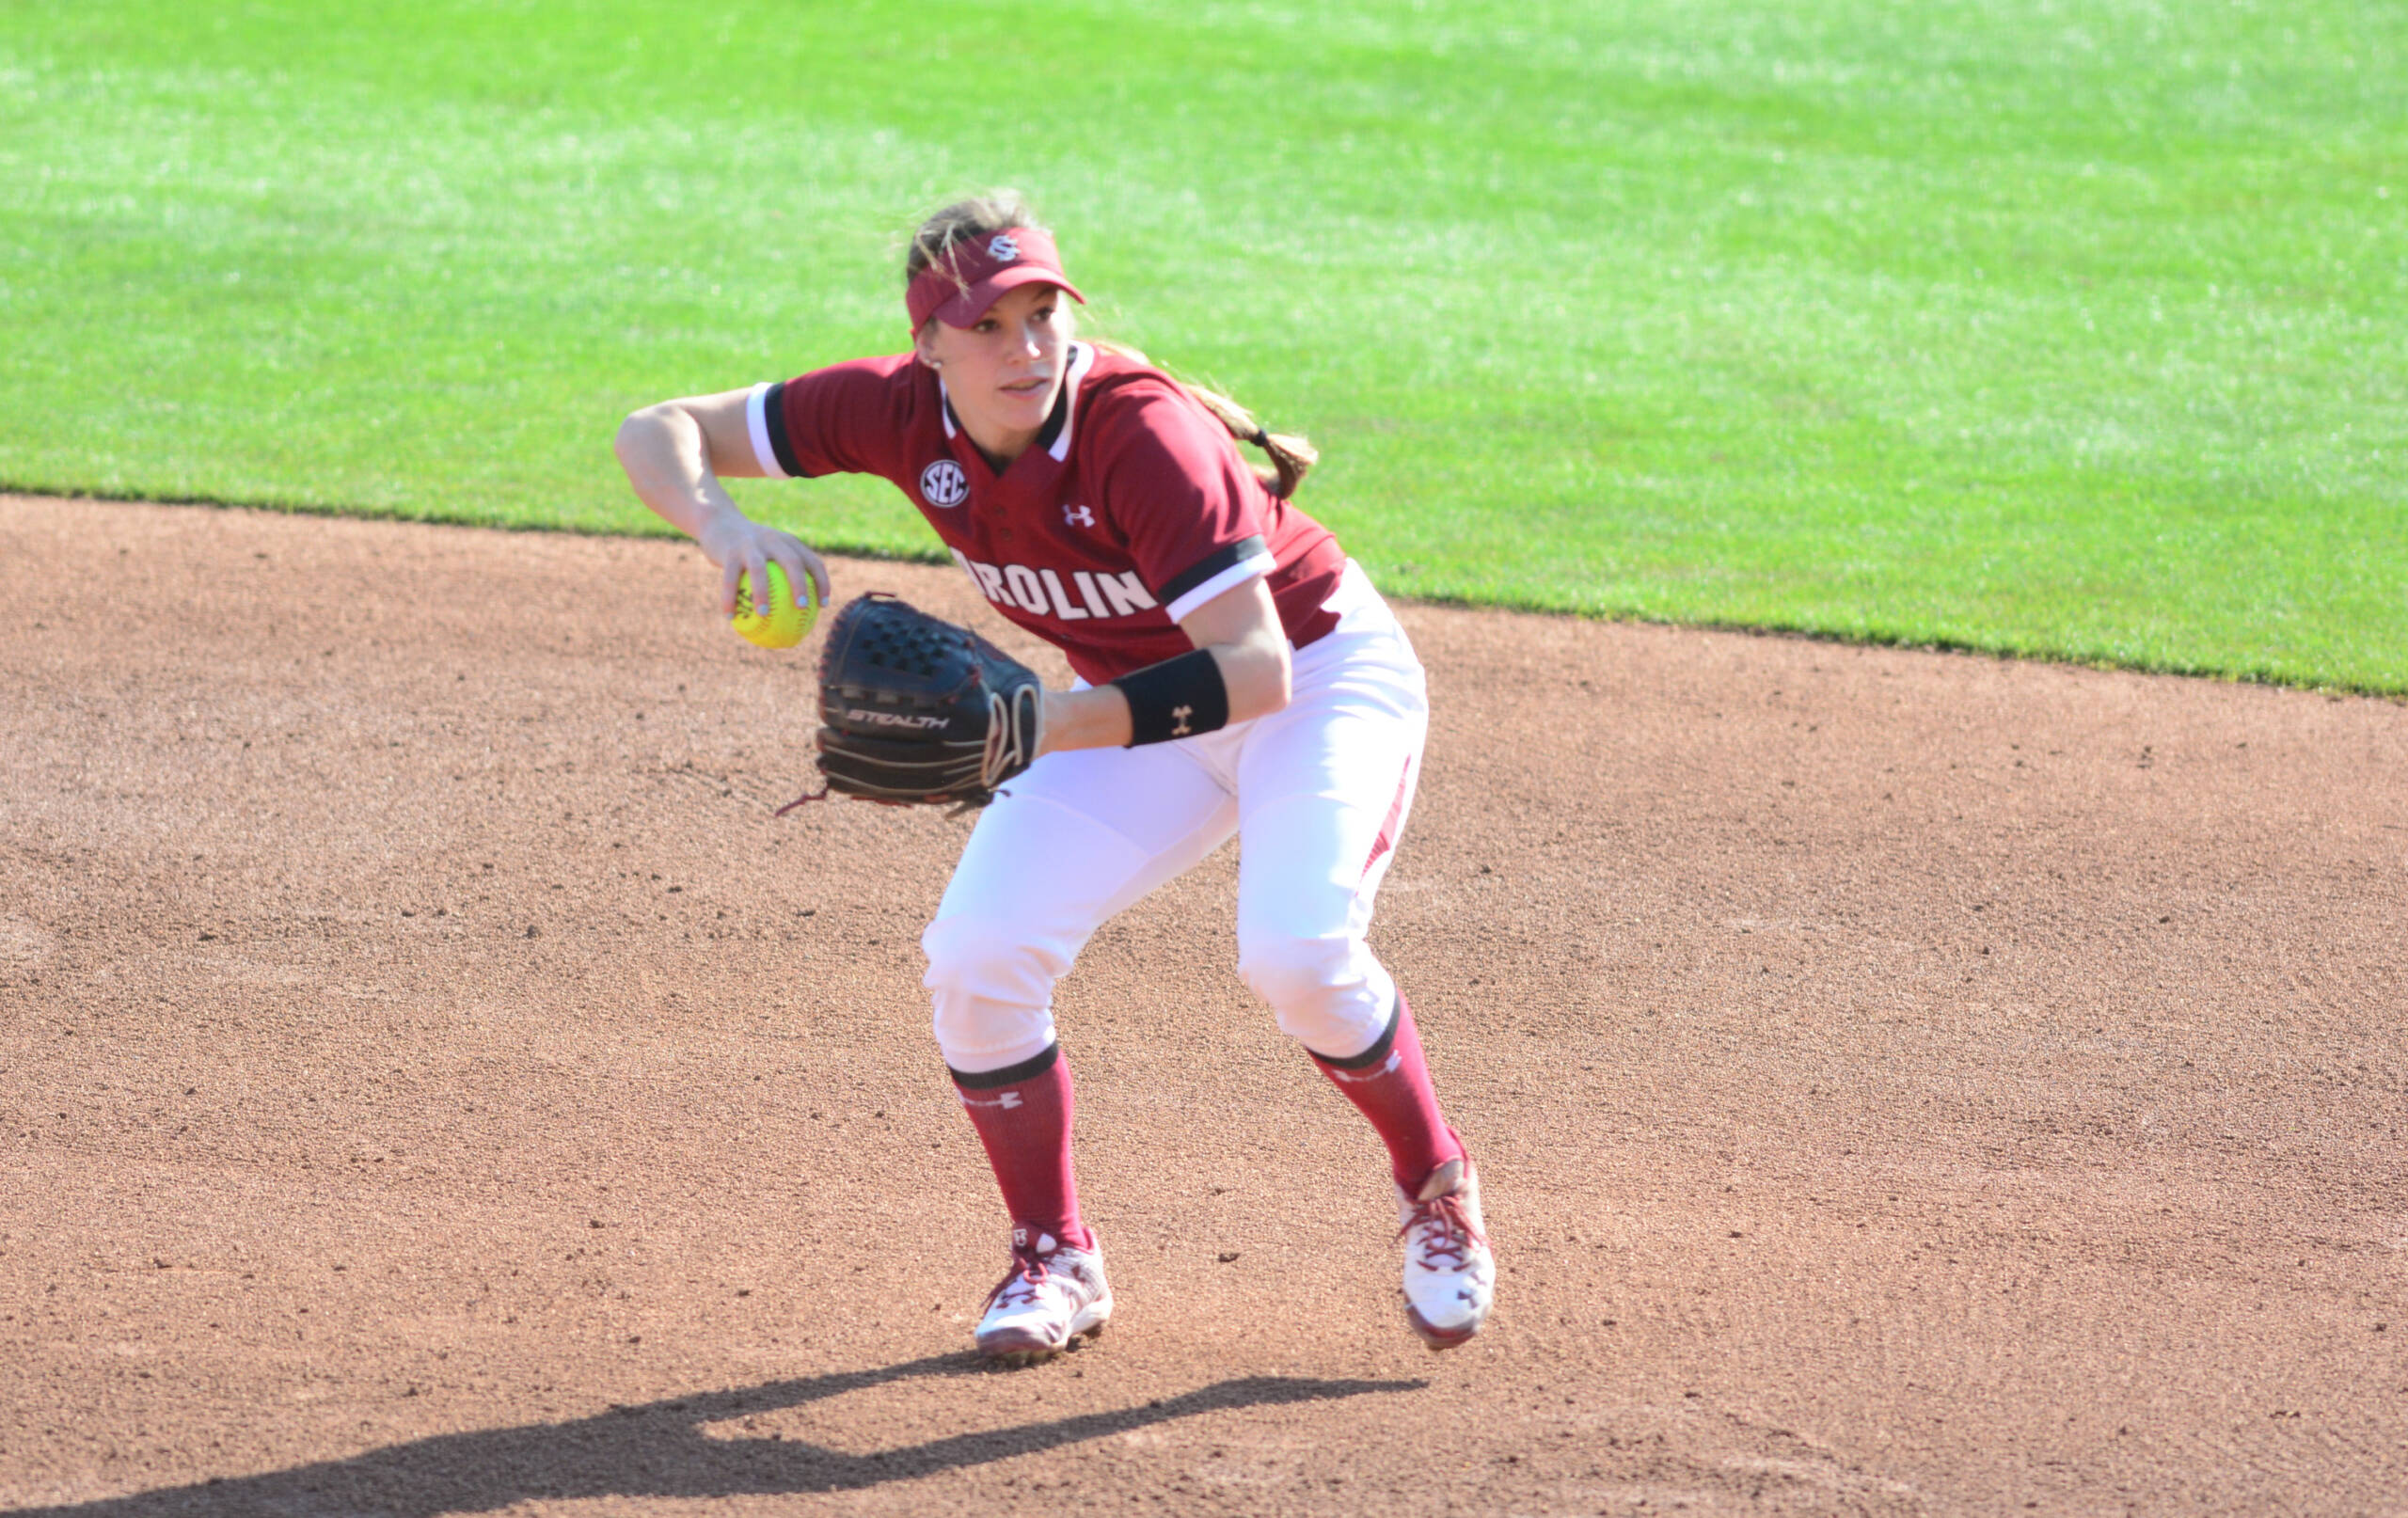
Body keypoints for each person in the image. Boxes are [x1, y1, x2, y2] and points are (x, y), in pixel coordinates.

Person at [612, 192, 1494, 1362]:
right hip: (1133, 712)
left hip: (1312, 684)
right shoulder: (890, 413)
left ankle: (1435, 1189)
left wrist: (1037, 726)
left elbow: (1251, 672)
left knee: (1296, 951)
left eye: (1041, 315)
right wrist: (724, 529)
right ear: (929, 342)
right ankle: (1054, 1254)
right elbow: (658, 427)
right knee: (977, 957)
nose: (1023, 348)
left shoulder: (1141, 433)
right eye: (987, 326)